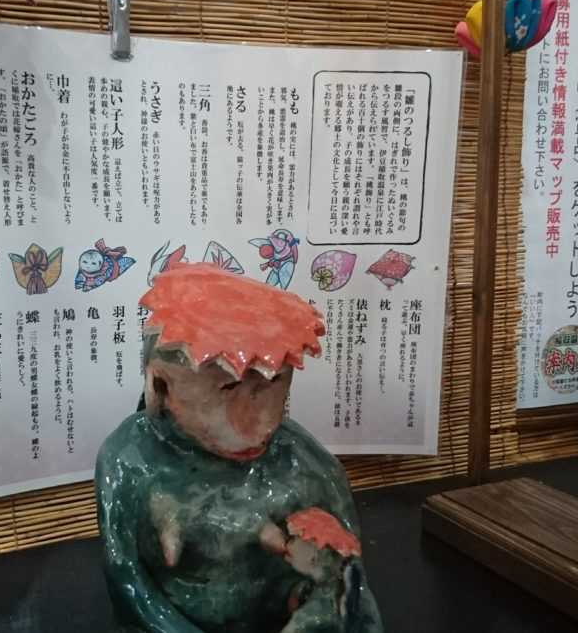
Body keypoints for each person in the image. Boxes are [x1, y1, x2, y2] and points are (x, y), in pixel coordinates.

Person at [95, 262, 383, 633]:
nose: (263, 424)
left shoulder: (307, 468)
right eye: (228, 388)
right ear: (160, 385)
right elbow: (129, 586)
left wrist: (319, 614)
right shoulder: (130, 462)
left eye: (276, 383)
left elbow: (349, 585)